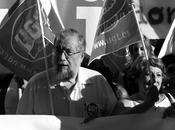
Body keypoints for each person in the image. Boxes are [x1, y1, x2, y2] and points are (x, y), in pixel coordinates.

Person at [16, 28, 160, 120]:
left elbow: (117, 119)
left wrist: (147, 105)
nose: (61, 58)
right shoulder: (36, 84)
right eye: (58, 51)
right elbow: (20, 124)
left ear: (81, 55)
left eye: (68, 52)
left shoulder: (97, 81)